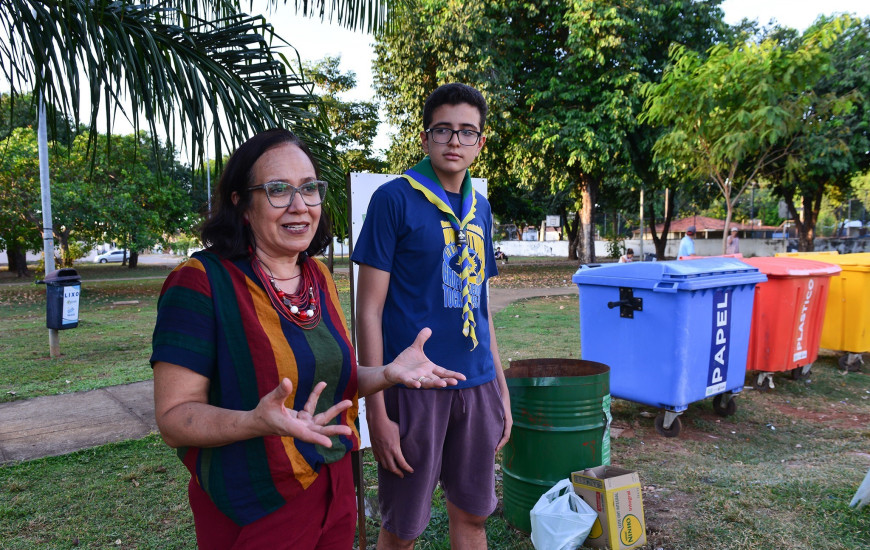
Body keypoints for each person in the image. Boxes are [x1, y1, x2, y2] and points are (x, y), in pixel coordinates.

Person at [150, 129, 466, 550]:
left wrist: (387, 373)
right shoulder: (201, 283)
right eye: (278, 190)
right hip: (254, 501)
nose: (299, 206)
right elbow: (173, 418)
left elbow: (332, 377)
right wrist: (254, 421)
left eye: (309, 189)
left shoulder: (317, 276)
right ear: (241, 204)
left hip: (333, 485)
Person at [352, 83, 512, 549]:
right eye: (444, 130)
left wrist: (500, 389)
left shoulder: (479, 207)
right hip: (414, 387)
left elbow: (480, 306)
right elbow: (369, 309)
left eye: (467, 132)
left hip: (477, 385)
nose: (455, 141)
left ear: (481, 143)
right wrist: (376, 414)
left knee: (474, 516)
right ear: (425, 138)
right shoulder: (393, 200)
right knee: (403, 529)